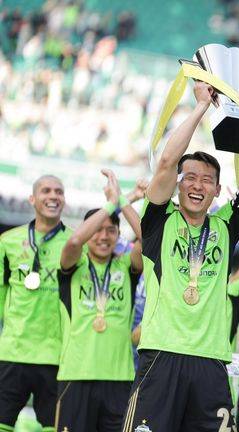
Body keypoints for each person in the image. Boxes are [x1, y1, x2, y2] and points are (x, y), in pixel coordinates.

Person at [121, 81, 239, 432]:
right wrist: (201, 105)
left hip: (211, 362)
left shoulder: (226, 225)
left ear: (217, 190)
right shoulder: (158, 220)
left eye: (207, 180)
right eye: (190, 178)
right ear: (178, 184)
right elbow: (166, 161)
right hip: (162, 355)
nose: (198, 185)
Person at [56, 170, 146, 431]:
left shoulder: (126, 266)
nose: (104, 236)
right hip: (76, 376)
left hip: (120, 379)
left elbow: (148, 238)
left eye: (111, 231)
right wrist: (111, 204)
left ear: (118, 235)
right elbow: (75, 240)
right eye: (97, 230)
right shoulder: (74, 265)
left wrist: (124, 201)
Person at [0, 175, 70, 432]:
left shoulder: (76, 244)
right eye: (46, 190)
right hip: (12, 352)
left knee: (54, 427)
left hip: (56, 356)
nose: (53, 196)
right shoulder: (8, 241)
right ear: (32, 198)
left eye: (58, 191)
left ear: (64, 200)